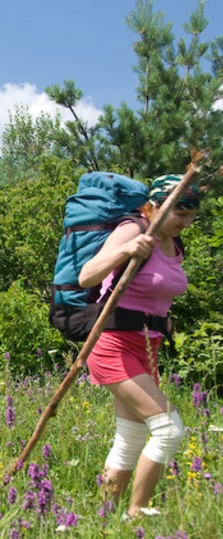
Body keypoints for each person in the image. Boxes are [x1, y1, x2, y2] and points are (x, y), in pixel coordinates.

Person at [79, 174, 201, 519]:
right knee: (169, 430)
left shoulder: (173, 243)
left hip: (148, 345)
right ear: (156, 206)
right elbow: (87, 275)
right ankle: (136, 513)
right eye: (181, 214)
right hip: (113, 344)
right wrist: (126, 250)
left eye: (192, 216)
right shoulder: (133, 229)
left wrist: (162, 320)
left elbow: (154, 289)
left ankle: (105, 519)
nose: (186, 223)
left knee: (130, 437)